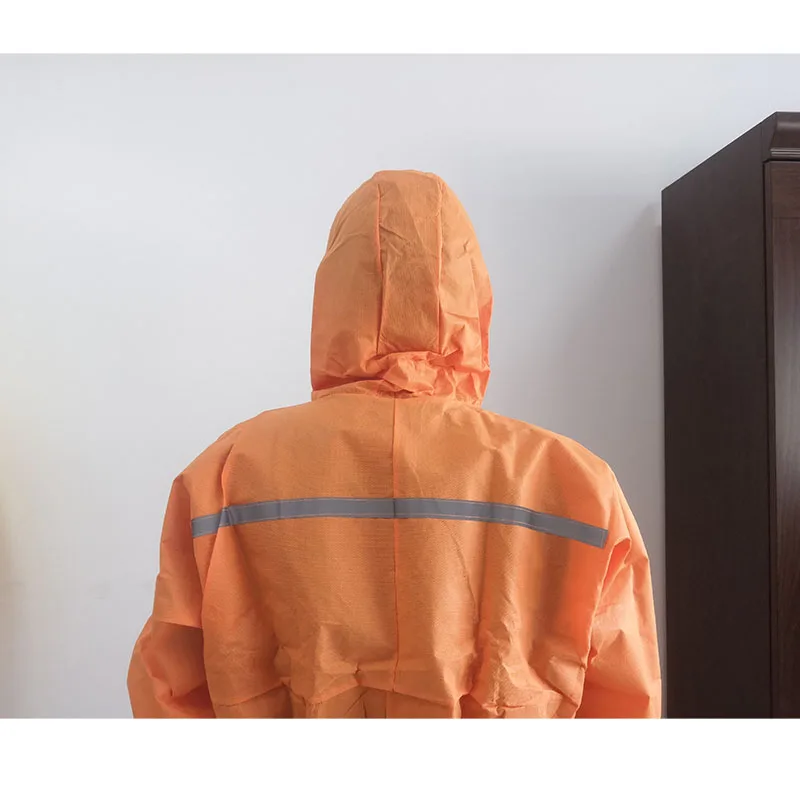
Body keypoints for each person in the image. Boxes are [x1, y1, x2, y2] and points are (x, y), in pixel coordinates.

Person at [128, 170, 661, 718]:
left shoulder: (224, 472)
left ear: (333, 295)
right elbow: (624, 703)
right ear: (472, 297)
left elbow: (170, 693)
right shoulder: (574, 482)